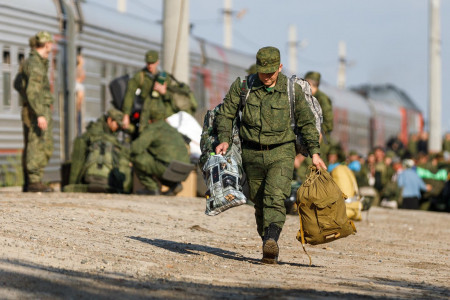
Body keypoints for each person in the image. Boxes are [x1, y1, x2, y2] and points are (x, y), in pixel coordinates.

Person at [215, 46, 326, 264]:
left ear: (280, 67)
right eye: (263, 72)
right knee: (258, 201)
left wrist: (314, 152)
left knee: (275, 197)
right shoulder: (243, 86)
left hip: (281, 151)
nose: (266, 77)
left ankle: (272, 240)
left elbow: (306, 123)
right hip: (251, 152)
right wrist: (224, 138)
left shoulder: (291, 91)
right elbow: (226, 113)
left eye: (271, 73)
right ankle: (267, 240)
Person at [65, 108, 132, 193]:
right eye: (117, 125)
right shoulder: (97, 128)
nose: (117, 128)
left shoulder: (109, 130)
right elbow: (99, 138)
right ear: (109, 120)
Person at [21, 31, 55, 192]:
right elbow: (32, 91)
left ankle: (34, 180)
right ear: (47, 44)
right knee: (37, 143)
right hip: (38, 109)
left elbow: (17, 83)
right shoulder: (35, 65)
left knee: (43, 144)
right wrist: (39, 112)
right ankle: (34, 181)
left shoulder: (38, 62)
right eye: (51, 43)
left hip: (38, 107)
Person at [130, 120, 190, 196]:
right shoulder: (172, 129)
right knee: (158, 163)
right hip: (185, 170)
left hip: (169, 168)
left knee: (136, 157)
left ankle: (152, 188)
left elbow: (135, 148)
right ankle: (174, 185)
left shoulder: (153, 128)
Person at [121, 50, 171, 134]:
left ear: (157, 62)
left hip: (161, 114)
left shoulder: (163, 77)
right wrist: (126, 115)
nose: (150, 65)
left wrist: (164, 92)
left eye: (152, 63)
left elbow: (171, 99)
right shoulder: (140, 76)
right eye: (148, 63)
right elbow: (129, 95)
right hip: (145, 114)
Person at [304, 71, 334, 143]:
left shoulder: (322, 98)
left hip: (321, 138)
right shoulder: (308, 97)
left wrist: (320, 132)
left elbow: (328, 121)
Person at [76, 47, 86, 136]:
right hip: (77, 110)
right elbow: (81, 74)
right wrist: (80, 64)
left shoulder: (79, 86)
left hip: (78, 110)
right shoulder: (77, 86)